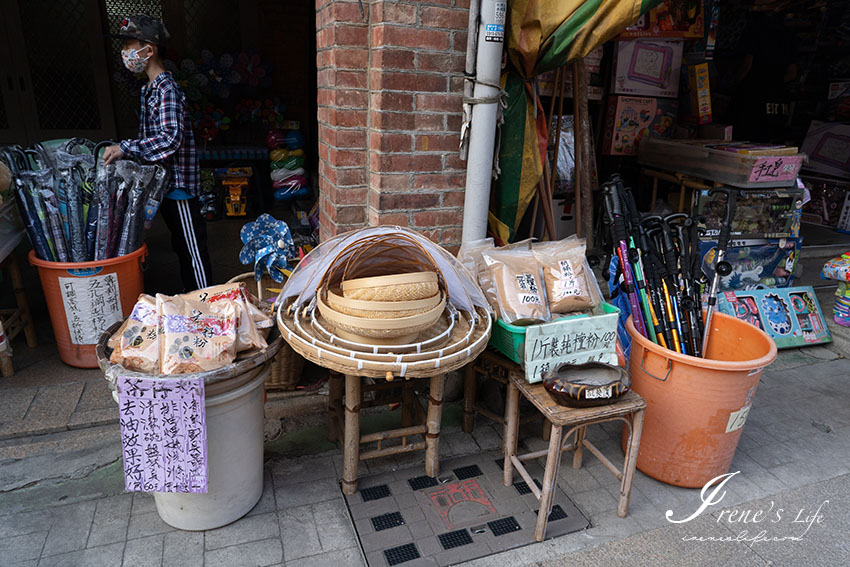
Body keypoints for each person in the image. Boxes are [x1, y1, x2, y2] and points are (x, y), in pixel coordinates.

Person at [103, 14, 212, 291]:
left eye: (129, 45)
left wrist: (125, 147)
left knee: (193, 251)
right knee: (182, 246)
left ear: (148, 50)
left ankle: (207, 302)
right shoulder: (150, 90)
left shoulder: (167, 90)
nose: (125, 52)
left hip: (180, 188)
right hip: (166, 186)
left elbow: (169, 139)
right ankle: (195, 299)